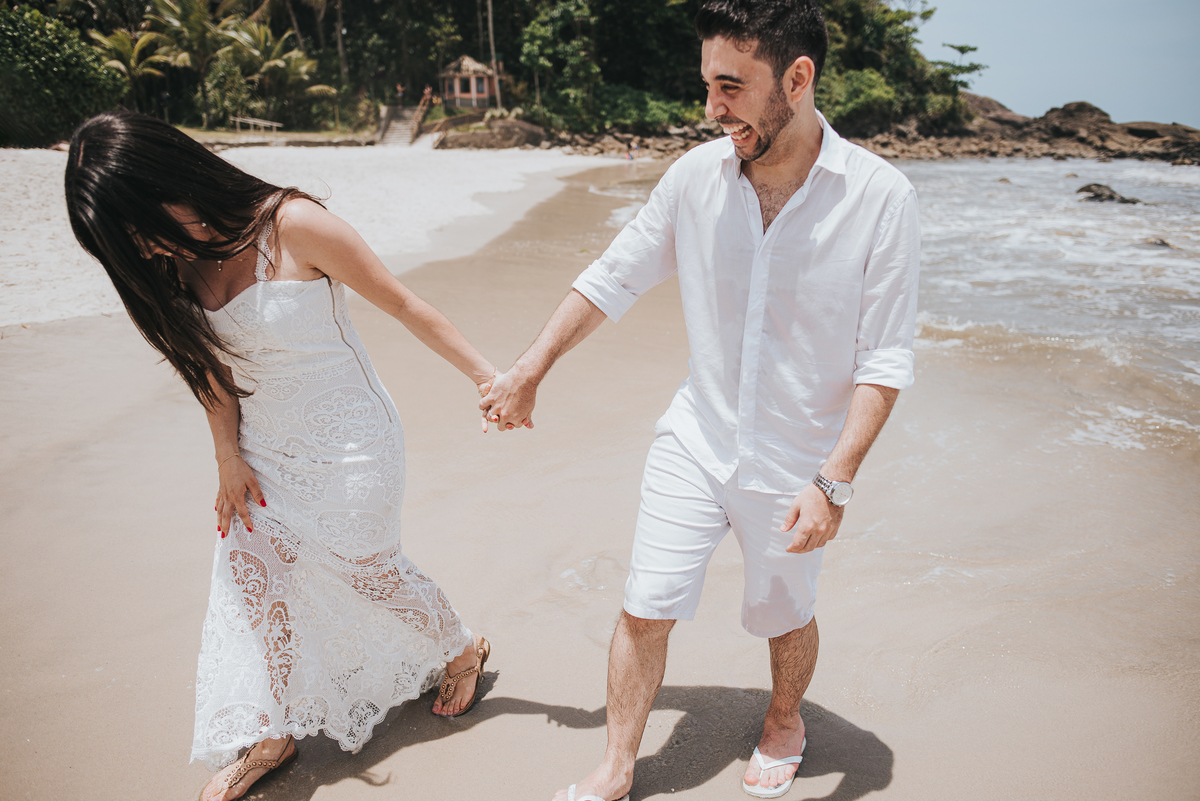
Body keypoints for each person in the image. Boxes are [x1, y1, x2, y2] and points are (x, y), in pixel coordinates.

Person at [479, 1, 921, 799]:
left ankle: (785, 720)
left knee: (784, 614)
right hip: (696, 436)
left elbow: (884, 359)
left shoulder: (880, 198)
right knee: (645, 603)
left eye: (731, 87)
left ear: (797, 77)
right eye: (707, 85)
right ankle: (618, 763)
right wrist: (531, 367)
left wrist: (835, 479)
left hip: (797, 463)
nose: (712, 108)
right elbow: (612, 277)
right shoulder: (694, 178)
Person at [65, 111, 495, 801]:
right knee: (252, 580)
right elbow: (211, 374)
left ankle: (460, 644)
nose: (139, 250)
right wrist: (226, 458)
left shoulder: (292, 224)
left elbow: (404, 303)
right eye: (121, 244)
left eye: (135, 229)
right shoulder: (174, 269)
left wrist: (487, 377)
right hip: (263, 451)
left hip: (354, 442)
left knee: (367, 571)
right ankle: (272, 728)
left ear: (168, 182)